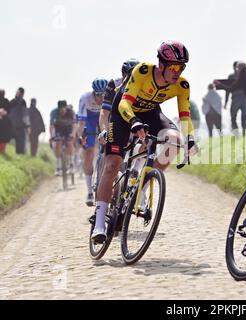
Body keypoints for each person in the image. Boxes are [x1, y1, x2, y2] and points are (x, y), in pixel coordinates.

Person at [91, 40, 198, 243]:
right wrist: (134, 122)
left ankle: (142, 182)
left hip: (151, 113)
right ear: (162, 64)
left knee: (174, 141)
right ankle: (99, 224)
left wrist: (190, 140)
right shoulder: (142, 72)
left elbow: (185, 116)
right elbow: (124, 103)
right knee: (112, 164)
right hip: (124, 112)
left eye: (181, 67)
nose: (178, 72)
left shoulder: (182, 85)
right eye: (174, 67)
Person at [77, 78, 108, 206]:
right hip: (89, 119)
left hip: (103, 117)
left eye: (103, 95)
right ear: (93, 93)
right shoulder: (85, 98)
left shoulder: (109, 97)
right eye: (98, 95)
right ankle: (89, 191)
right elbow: (81, 122)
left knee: (108, 147)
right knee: (89, 153)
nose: (101, 98)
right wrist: (81, 137)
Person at [98, 59, 140, 146]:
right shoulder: (114, 84)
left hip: (132, 118)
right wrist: (104, 131)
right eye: (129, 75)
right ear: (123, 74)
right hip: (114, 119)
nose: (132, 79)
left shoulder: (143, 85)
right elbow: (104, 112)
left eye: (136, 76)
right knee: (109, 146)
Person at [215, 62, 246, 131]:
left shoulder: (238, 77)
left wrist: (226, 102)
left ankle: (238, 133)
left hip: (239, 98)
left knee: (234, 118)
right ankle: (245, 134)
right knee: (244, 118)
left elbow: (229, 89)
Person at [50, 100, 77, 175]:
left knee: (70, 142)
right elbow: (51, 126)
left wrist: (73, 134)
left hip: (68, 129)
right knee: (58, 143)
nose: (62, 112)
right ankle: (58, 167)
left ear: (66, 108)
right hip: (58, 128)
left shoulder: (71, 112)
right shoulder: (54, 112)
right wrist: (52, 136)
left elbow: (74, 125)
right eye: (60, 110)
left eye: (63, 110)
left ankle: (71, 164)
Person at [9, 87, 29, 155]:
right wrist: (27, 125)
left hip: (12, 124)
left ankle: (18, 154)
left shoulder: (11, 101)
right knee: (21, 140)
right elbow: (25, 114)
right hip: (19, 125)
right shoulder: (23, 102)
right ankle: (20, 154)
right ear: (22, 94)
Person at [0, 90, 12, 154]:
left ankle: (2, 151)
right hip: (4, 123)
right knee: (3, 137)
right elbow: (9, 111)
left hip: (3, 122)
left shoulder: (6, 101)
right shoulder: (6, 101)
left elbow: (8, 111)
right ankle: (2, 151)